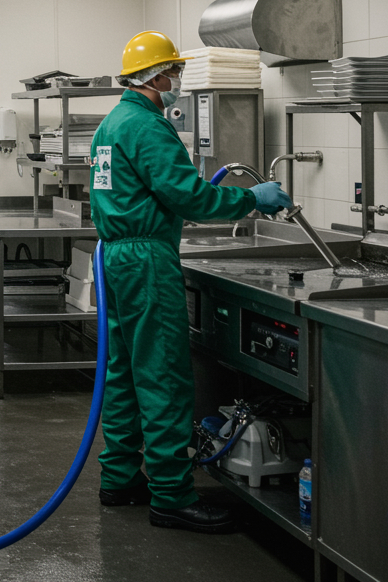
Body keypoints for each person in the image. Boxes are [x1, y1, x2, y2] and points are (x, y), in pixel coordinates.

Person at [89, 31, 293, 532]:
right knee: (161, 375)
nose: (178, 80)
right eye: (174, 72)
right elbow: (192, 198)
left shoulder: (111, 124)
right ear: (157, 77)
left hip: (115, 256)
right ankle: (171, 495)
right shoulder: (149, 127)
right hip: (146, 260)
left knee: (124, 375)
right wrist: (252, 199)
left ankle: (118, 478)